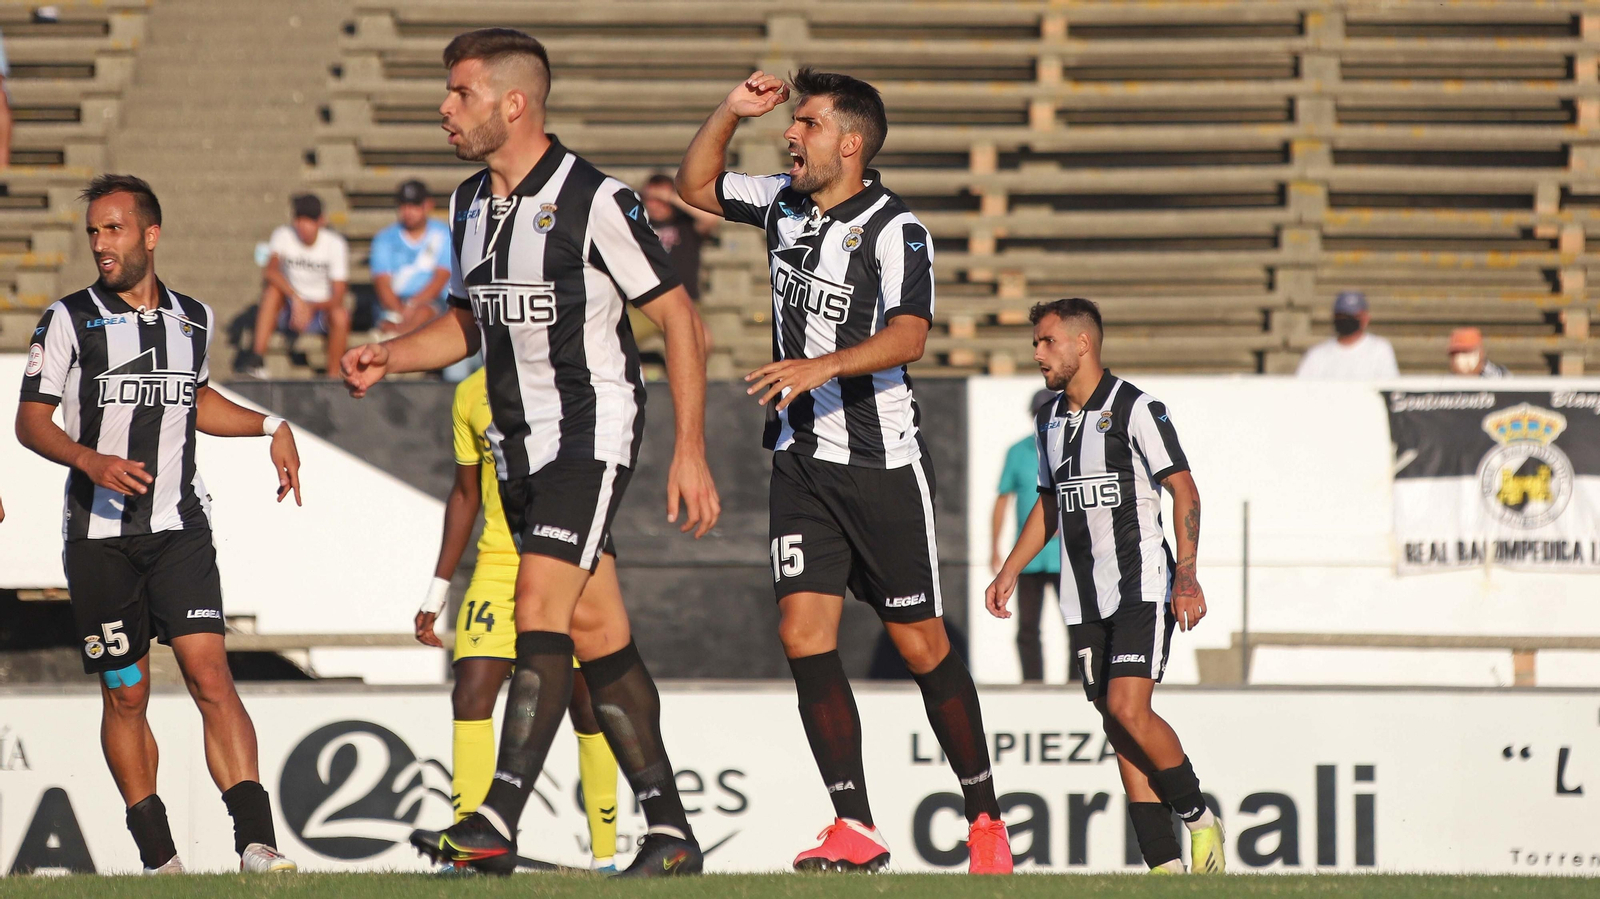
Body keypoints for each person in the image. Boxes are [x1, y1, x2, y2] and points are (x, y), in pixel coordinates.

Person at [340, 29, 719, 878]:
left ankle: (495, 815)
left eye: (461, 92)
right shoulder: (470, 202)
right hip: (516, 443)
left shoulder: (595, 198)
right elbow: (471, 319)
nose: (445, 106)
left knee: (536, 608)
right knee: (598, 632)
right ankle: (673, 834)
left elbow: (681, 320)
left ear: (514, 103)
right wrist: (390, 352)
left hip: (590, 431)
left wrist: (689, 449)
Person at [677, 68, 1011, 874]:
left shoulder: (898, 229)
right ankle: (854, 823)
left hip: (881, 466)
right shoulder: (784, 203)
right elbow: (695, 184)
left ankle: (985, 818)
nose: (791, 134)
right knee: (801, 633)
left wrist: (819, 365)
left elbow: (909, 337)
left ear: (850, 143)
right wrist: (730, 109)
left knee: (922, 643)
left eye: (809, 124)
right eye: (792, 123)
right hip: (800, 461)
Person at [15, 174, 304, 874]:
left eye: (113, 230)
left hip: (180, 527)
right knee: (128, 691)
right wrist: (90, 459)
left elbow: (195, 400)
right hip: (98, 536)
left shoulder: (192, 319)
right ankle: (160, 858)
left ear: (151, 234)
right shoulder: (67, 319)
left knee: (212, 673)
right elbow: (30, 421)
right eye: (93, 232)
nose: (100, 244)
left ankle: (256, 844)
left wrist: (270, 423)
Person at [987, 298, 1225, 876]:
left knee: (1128, 707)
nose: (1037, 353)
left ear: (1082, 344)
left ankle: (1199, 818)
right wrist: (1011, 568)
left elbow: (1184, 490)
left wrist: (1186, 576)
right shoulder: (1048, 418)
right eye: (1036, 343)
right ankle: (1163, 867)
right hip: (1081, 596)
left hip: (1140, 585)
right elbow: (1048, 502)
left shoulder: (1136, 408)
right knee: (1117, 729)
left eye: (1046, 342)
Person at [415, 366, 620, 873]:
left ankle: (606, 857)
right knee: (470, 692)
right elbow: (465, 493)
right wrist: (436, 590)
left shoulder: (569, 379)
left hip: (563, 561)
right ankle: (467, 848)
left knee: (589, 707)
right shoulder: (470, 392)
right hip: (498, 564)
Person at [992, 389, 1066, 684]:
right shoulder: (1018, 451)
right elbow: (1002, 499)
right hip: (1029, 557)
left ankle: (1079, 685)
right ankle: (1033, 686)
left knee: (1077, 625)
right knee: (1027, 628)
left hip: (1066, 555)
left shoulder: (1073, 448)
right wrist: (995, 548)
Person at [235, 194, 351, 379]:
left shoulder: (335, 244)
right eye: (299, 218)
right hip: (289, 306)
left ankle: (334, 376)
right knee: (271, 291)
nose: (303, 225)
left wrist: (310, 307)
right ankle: (256, 359)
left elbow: (338, 296)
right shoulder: (283, 235)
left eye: (309, 220)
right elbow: (270, 272)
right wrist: (297, 299)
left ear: (321, 221)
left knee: (340, 315)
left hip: (320, 310)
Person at [371, 179, 454, 336]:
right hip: (393, 304)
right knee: (387, 321)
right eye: (403, 205)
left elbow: (440, 278)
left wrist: (412, 305)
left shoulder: (443, 235)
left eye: (415, 205)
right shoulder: (384, 238)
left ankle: (399, 336)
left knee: (423, 313)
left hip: (432, 302)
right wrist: (399, 309)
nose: (408, 211)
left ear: (428, 205)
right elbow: (382, 283)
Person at [643, 174, 717, 301]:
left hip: (685, 300)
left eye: (660, 200)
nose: (656, 205)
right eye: (651, 199)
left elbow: (711, 218)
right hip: (645, 302)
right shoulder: (638, 223)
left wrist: (671, 197)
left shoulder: (685, 223)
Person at [1295, 291, 1398, 379]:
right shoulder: (1317, 355)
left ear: (1365, 318)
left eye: (1353, 316)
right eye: (1342, 315)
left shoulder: (1379, 350)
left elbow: (1389, 387)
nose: (1346, 320)